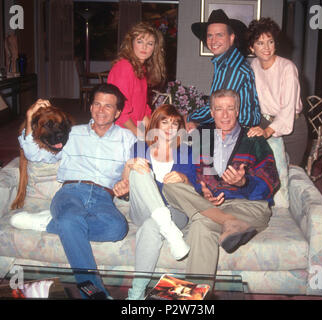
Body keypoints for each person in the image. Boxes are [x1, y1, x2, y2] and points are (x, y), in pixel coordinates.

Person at [16, 83, 137, 299]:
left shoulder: (128, 138)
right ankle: (94, 293)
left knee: (117, 228)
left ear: (118, 112)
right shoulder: (72, 134)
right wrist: (29, 117)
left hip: (103, 197)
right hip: (71, 191)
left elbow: (138, 170)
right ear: (90, 107)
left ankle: (50, 223)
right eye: (97, 104)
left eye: (108, 106)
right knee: (71, 218)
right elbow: (35, 155)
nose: (101, 110)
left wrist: (128, 185)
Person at [162, 89, 279, 280]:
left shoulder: (253, 139)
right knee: (170, 185)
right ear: (211, 112)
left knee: (200, 225)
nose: (224, 115)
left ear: (238, 112)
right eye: (219, 109)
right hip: (210, 205)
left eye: (230, 109)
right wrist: (201, 192)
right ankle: (228, 222)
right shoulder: (200, 135)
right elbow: (184, 171)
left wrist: (243, 182)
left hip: (249, 208)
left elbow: (270, 181)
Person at [113, 104, 195, 300]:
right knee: (139, 169)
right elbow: (127, 184)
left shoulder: (186, 151)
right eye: (164, 121)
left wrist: (183, 178)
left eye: (175, 123)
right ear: (155, 124)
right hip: (142, 209)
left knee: (152, 226)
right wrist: (129, 166)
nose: (169, 127)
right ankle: (169, 229)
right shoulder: (139, 147)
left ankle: (136, 295)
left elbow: (194, 190)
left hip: (176, 211)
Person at [247, 17, 308, 167]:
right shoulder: (254, 65)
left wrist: (267, 132)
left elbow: (287, 110)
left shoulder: (287, 68)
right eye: (260, 43)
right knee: (266, 172)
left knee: (291, 172)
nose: (266, 47)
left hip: (292, 128)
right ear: (252, 48)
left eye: (270, 41)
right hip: (264, 122)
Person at [185, 9, 261, 130]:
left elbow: (217, 106)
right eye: (210, 35)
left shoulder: (232, 67)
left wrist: (187, 117)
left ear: (231, 38)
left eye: (219, 35)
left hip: (241, 132)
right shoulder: (226, 62)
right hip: (231, 127)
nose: (213, 41)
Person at [107, 22, 166, 137]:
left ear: (154, 48)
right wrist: (140, 135)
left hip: (133, 129)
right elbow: (120, 111)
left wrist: (153, 131)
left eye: (150, 44)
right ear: (131, 43)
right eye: (140, 42)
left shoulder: (140, 69)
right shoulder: (124, 67)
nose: (144, 47)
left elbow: (142, 109)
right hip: (121, 131)